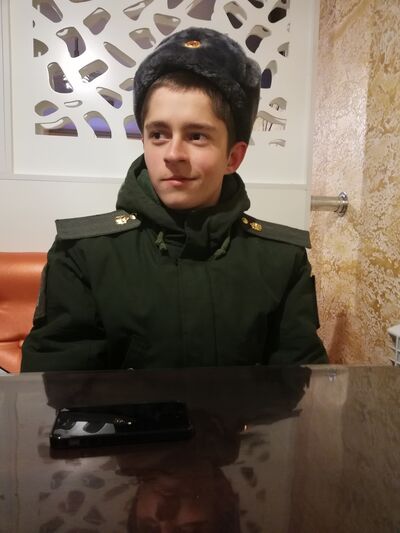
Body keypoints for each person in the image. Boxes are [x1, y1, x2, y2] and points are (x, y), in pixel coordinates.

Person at [21, 27, 327, 371]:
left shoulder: (282, 260)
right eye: (158, 134)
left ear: (233, 157)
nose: (173, 154)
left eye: (196, 136)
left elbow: (301, 383)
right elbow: (57, 386)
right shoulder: (82, 254)